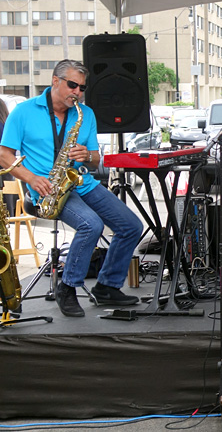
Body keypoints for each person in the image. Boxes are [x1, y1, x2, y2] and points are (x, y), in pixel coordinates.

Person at [0, 60, 142, 317]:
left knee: (131, 226)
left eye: (82, 88)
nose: (77, 92)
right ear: (55, 81)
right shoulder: (24, 112)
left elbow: (97, 158)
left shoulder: (85, 114)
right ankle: (67, 287)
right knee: (91, 225)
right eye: (72, 85)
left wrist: (87, 155)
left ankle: (107, 286)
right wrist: (31, 179)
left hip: (81, 183)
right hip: (46, 190)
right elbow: (4, 155)